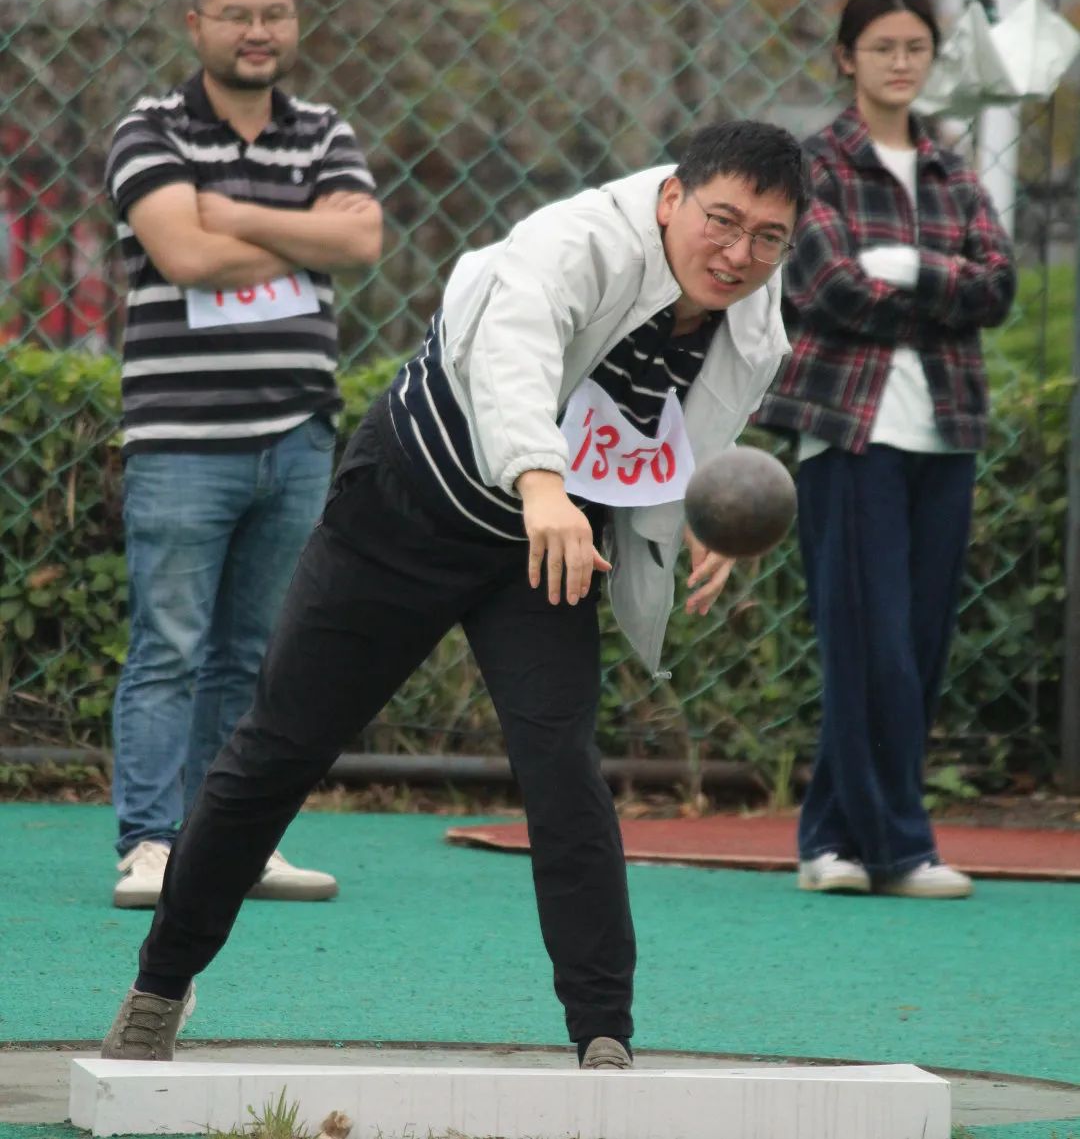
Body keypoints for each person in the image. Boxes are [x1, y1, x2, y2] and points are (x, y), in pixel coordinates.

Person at [100, 119, 807, 1066]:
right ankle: (160, 983)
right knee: (280, 747)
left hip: (543, 551)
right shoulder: (575, 240)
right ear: (672, 198)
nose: (739, 253)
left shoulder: (752, 303)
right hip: (407, 514)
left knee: (564, 770)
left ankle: (604, 1032)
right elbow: (512, 352)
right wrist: (542, 484)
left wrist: (699, 510)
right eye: (722, 221)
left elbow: (690, 422)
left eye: (768, 237)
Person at [106, 0, 383, 909]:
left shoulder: (324, 129)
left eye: (275, 13)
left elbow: (361, 238)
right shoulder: (150, 128)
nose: (258, 32)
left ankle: (230, 844)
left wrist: (227, 210)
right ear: (197, 26)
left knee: (259, 653)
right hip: (182, 436)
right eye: (237, 15)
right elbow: (181, 254)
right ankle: (150, 843)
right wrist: (297, 229)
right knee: (170, 647)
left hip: (298, 435)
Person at [755, 0, 1016, 900]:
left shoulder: (952, 170)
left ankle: (830, 839)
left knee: (919, 644)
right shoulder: (813, 165)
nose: (901, 63)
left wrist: (905, 267)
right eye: (882, 48)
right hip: (850, 432)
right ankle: (900, 847)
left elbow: (999, 286)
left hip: (945, 431)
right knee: (872, 645)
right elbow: (827, 287)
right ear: (846, 58)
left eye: (915, 48)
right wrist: (945, 286)